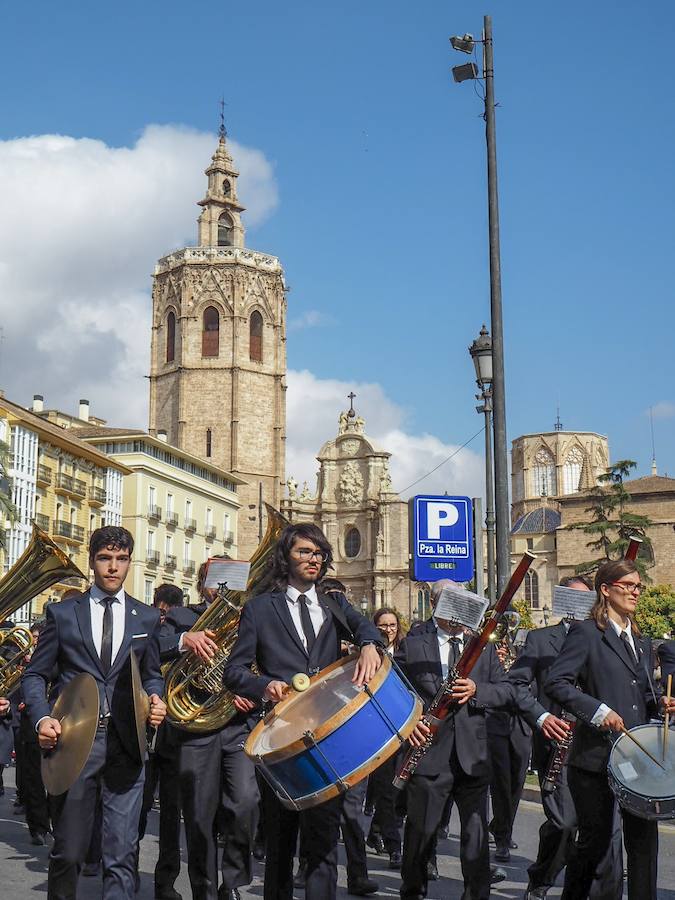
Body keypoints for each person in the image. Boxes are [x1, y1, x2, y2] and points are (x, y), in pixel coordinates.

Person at [223, 522, 384, 900]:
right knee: (280, 840)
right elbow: (234, 671)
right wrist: (265, 687)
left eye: (318, 553)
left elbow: (365, 626)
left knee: (324, 841)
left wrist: (370, 644)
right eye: (304, 552)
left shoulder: (334, 603)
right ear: (286, 557)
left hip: (328, 735)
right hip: (281, 734)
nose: (313, 559)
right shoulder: (260, 608)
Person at [22, 525, 166, 900]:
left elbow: (152, 674)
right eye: (105, 559)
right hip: (73, 742)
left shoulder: (147, 617)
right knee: (68, 852)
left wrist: (155, 698)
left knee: (121, 855)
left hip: (128, 744)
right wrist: (42, 718)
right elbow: (36, 674)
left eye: (120, 560)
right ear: (92, 562)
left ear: (130, 563)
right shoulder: (62, 613)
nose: (113, 567)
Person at [545, 559, 675, 900]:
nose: (635, 592)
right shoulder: (587, 633)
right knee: (596, 845)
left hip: (639, 759)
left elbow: (644, 694)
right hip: (595, 758)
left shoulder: (641, 639)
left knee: (644, 846)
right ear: (606, 589)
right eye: (627, 585)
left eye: (638, 587)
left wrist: (660, 703)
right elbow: (556, 683)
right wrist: (598, 711)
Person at [510, 574, 623, 899]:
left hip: (599, 748)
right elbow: (516, 685)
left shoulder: (607, 637)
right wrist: (542, 718)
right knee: (564, 825)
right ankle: (542, 878)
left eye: (584, 598)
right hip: (559, 747)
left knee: (606, 833)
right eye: (570, 597)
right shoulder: (540, 638)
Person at [394, 596, 514, 900]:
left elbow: (505, 690)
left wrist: (477, 690)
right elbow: (395, 692)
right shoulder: (414, 642)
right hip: (430, 752)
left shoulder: (482, 646)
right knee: (421, 831)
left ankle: (476, 894)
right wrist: (410, 724)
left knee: (475, 834)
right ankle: (413, 891)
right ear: (438, 604)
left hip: (472, 754)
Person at [162, 560, 261, 900]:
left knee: (247, 801)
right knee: (199, 815)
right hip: (197, 728)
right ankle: (203, 888)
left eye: (230, 580)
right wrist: (184, 639)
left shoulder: (250, 618)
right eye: (214, 580)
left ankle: (232, 880)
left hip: (237, 726)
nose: (221, 587)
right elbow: (154, 645)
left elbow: (262, 664)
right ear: (201, 583)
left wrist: (249, 689)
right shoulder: (182, 617)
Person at [136, 583, 186, 900]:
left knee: (171, 812)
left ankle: (165, 882)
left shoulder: (195, 621)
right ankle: (124, 868)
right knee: (134, 807)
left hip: (176, 730)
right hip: (143, 727)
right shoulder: (148, 626)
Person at [366, 607, 406, 868]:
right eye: (382, 625)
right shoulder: (368, 654)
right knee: (387, 789)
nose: (387, 630)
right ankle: (394, 847)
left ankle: (375, 832)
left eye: (392, 625)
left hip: (402, 727)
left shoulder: (405, 652)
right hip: (377, 729)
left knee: (396, 790)